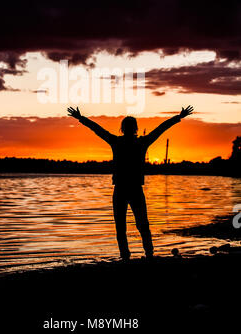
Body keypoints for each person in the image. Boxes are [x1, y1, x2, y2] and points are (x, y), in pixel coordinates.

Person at [67, 105, 194, 260]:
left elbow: (97, 129)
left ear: (123, 129)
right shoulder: (141, 142)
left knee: (123, 226)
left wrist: (81, 118)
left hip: (122, 189)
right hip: (133, 189)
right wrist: (178, 117)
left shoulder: (118, 142)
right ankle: (147, 254)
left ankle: (127, 256)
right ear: (135, 129)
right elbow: (161, 129)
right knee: (141, 224)